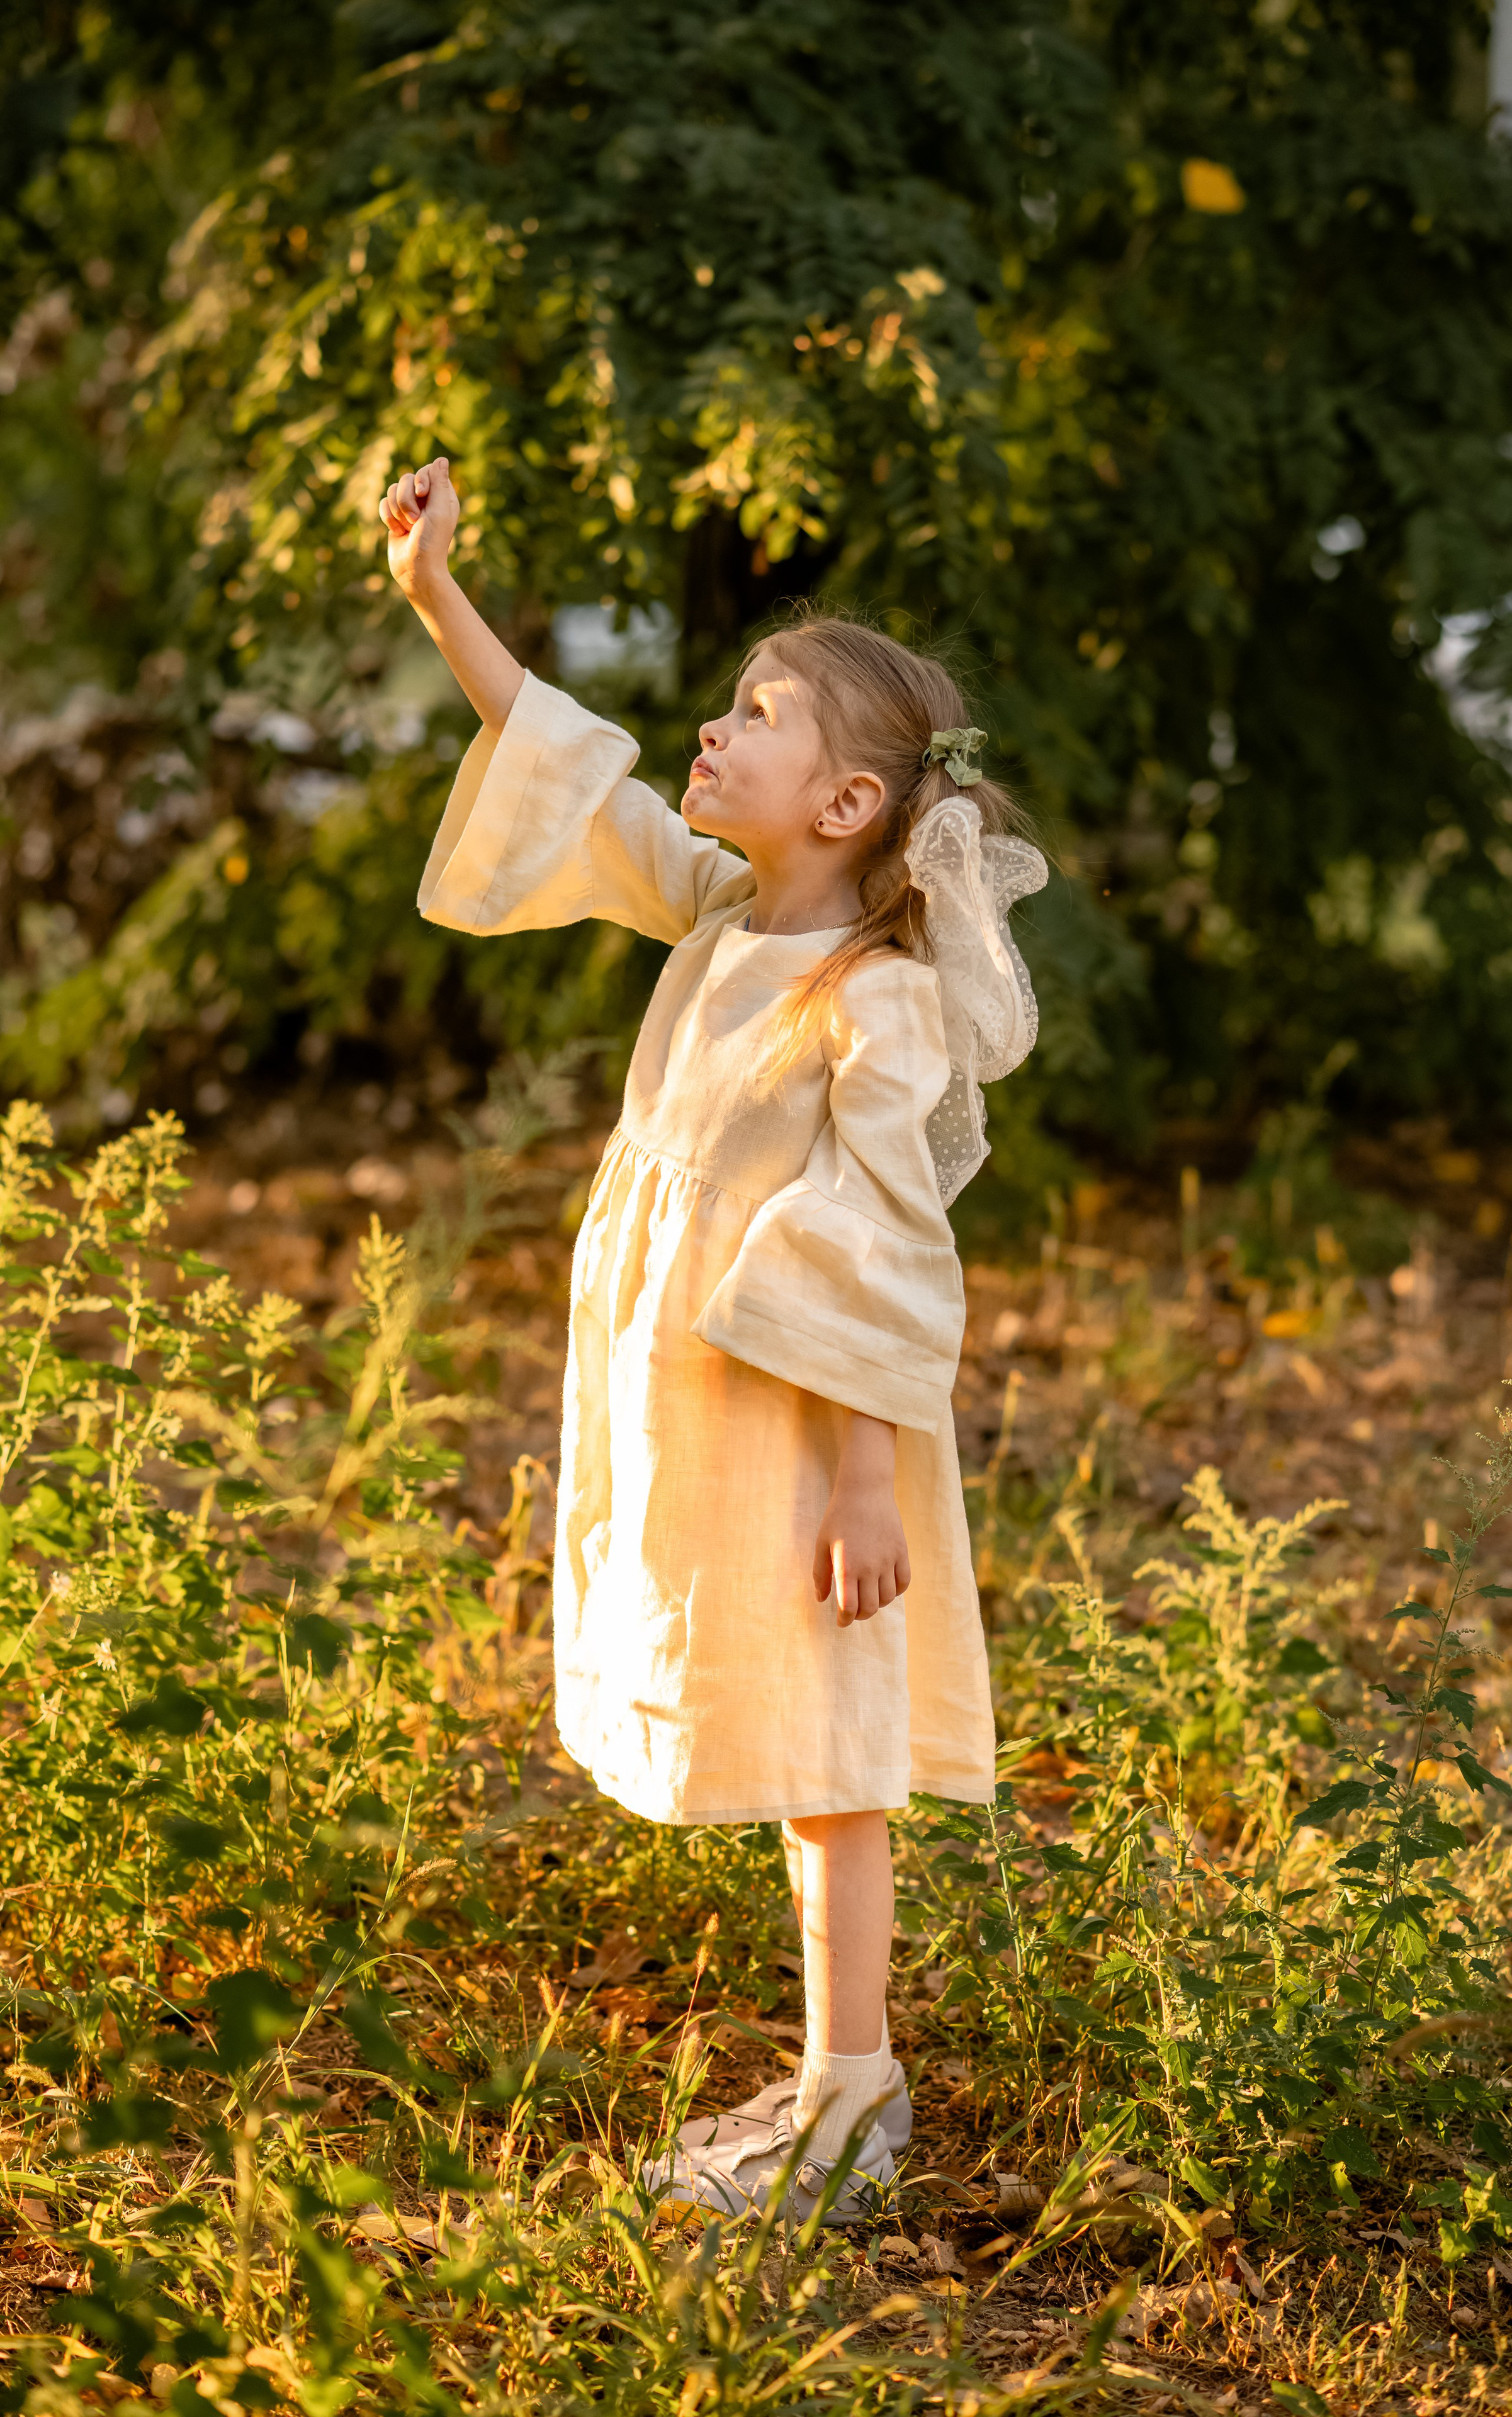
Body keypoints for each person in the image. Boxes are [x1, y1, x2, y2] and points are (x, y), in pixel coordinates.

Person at [378, 456, 1046, 2222]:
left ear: (841, 799)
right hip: (697, 1396)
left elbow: (873, 1249)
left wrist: (860, 1484)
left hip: (806, 1421)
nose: (710, 727)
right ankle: (836, 2071)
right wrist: (441, 598)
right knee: (779, 1720)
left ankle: (854, 2093)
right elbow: (565, 760)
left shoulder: (876, 1003)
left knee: (834, 1747)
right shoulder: (723, 918)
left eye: (756, 714)